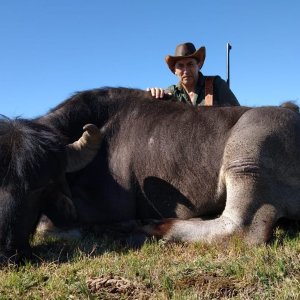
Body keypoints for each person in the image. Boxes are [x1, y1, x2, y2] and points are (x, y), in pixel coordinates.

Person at [147, 42, 240, 106]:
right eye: (180, 66)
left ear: (198, 65)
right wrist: (152, 95)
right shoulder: (170, 93)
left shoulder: (217, 84)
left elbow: (238, 116)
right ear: (174, 70)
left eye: (190, 64)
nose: (186, 71)